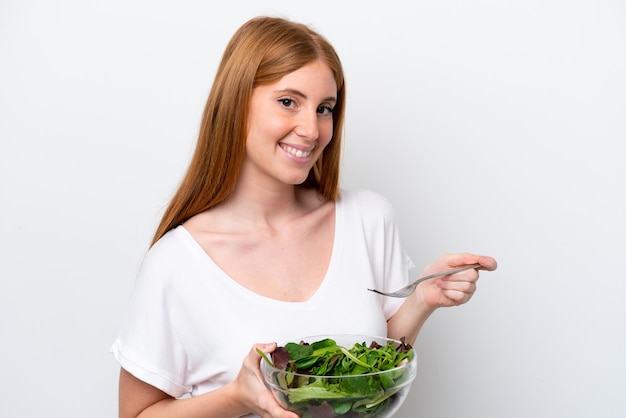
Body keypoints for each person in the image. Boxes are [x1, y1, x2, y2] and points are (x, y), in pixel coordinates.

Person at [110, 15, 497, 418]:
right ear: (236, 103)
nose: (312, 130)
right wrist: (236, 397)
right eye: (288, 102)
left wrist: (421, 300)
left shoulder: (368, 219)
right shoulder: (176, 263)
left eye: (325, 108)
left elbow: (368, 371)